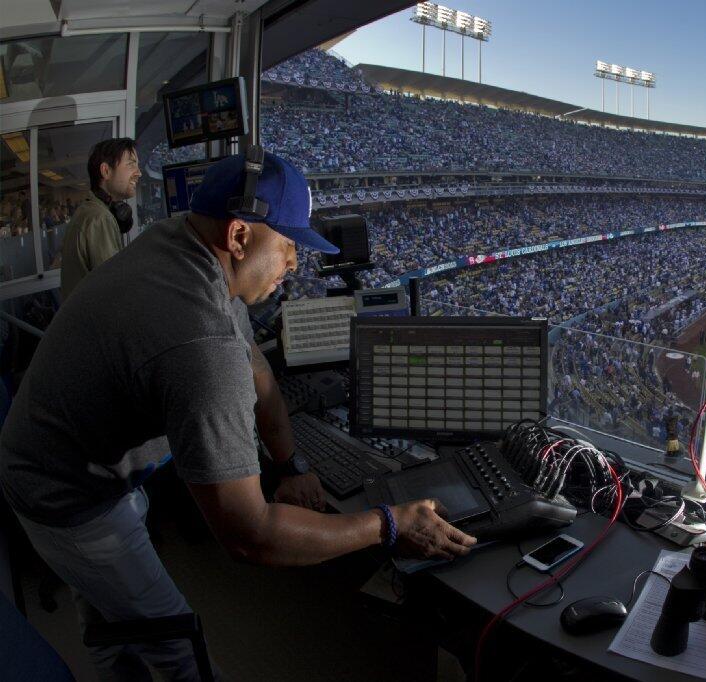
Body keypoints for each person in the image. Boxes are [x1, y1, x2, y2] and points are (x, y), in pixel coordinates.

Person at [0, 152, 476, 681]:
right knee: (172, 642)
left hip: (71, 455)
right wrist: (389, 524)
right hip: (65, 491)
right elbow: (250, 535)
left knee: (118, 622)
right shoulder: (200, 340)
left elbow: (260, 377)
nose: (296, 263)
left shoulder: (181, 243)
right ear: (239, 237)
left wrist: (291, 464)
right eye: (290, 244)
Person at [60, 138, 142, 300]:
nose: (139, 172)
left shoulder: (90, 210)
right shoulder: (99, 218)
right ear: (106, 171)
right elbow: (115, 292)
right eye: (131, 164)